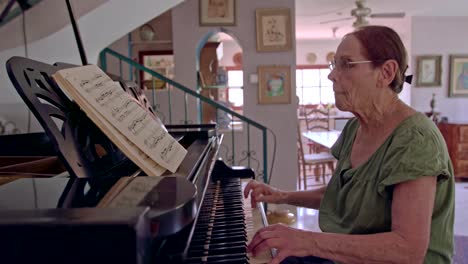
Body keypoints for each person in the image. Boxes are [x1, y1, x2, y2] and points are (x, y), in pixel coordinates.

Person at [244, 25, 454, 264]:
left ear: (385, 73)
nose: (332, 75)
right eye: (335, 64)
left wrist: (307, 240)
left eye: (346, 64)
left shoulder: (416, 139)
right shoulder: (354, 128)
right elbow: (339, 196)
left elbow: (407, 249)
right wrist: (281, 196)